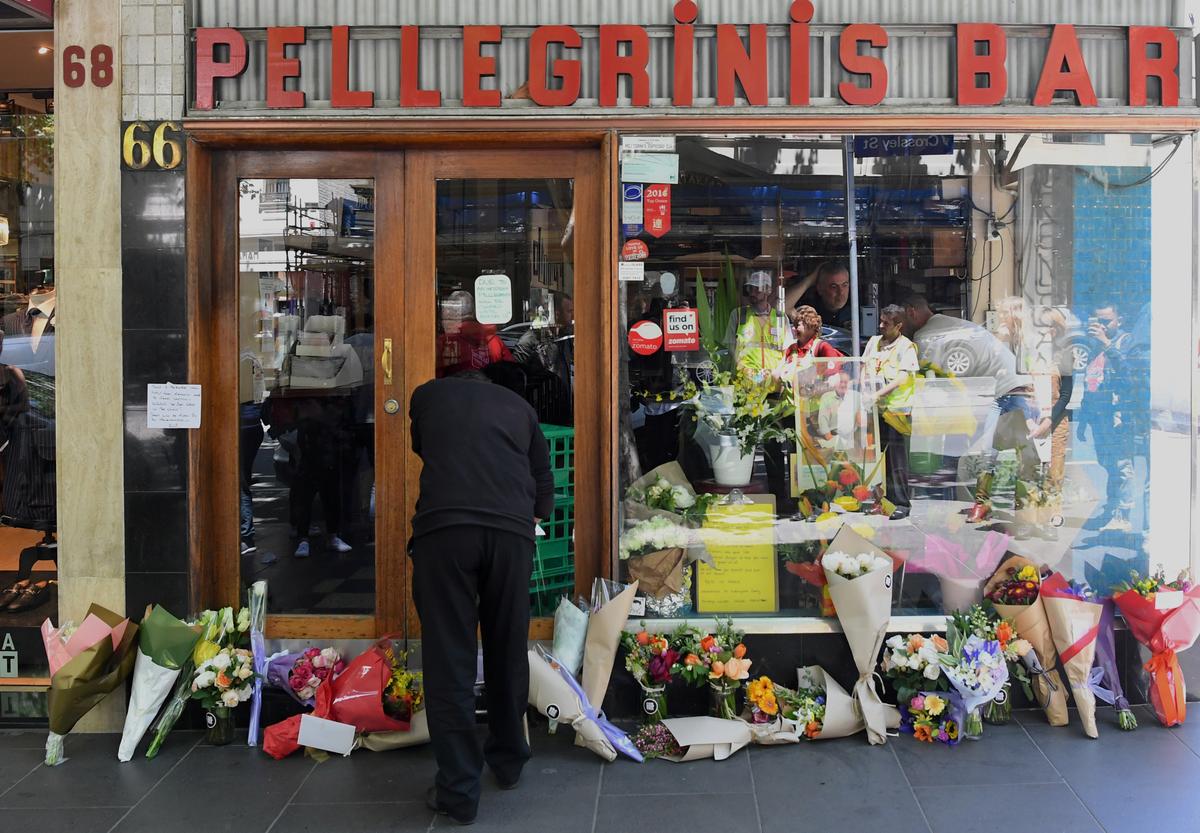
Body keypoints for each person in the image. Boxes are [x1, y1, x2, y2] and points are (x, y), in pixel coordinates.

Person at [409, 370, 555, 826]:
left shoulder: (426, 397)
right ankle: (508, 762)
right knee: (506, 647)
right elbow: (544, 485)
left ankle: (458, 791)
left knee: (449, 657)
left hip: (445, 532)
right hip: (511, 534)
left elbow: (422, 446)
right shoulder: (521, 408)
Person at [1081, 302, 1136, 532]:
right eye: (1098, 322)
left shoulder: (1126, 343)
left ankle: (1123, 514)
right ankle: (1111, 509)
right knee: (1108, 464)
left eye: (1106, 322)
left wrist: (1107, 344)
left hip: (1117, 415)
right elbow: (1090, 380)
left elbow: (1129, 378)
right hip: (1099, 415)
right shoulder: (1095, 347)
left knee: (1122, 464)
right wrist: (1083, 419)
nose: (1101, 327)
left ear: (1119, 321)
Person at [862, 304, 919, 519]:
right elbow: (863, 366)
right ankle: (882, 501)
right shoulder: (874, 342)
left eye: (886, 323)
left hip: (896, 413)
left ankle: (901, 504)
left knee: (897, 462)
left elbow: (902, 377)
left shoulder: (906, 347)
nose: (881, 326)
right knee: (877, 460)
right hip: (874, 410)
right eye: (881, 321)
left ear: (899, 326)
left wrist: (878, 394)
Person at [725, 269, 793, 380]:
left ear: (768, 291)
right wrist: (740, 366)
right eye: (750, 289)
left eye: (757, 290)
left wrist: (778, 371)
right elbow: (730, 346)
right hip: (745, 378)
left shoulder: (780, 317)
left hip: (773, 378)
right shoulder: (738, 315)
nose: (752, 293)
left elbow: (788, 349)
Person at [784, 261, 854, 329]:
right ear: (820, 289)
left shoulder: (856, 309)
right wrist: (810, 280)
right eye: (834, 286)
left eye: (845, 285)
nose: (841, 292)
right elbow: (782, 307)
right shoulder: (809, 310)